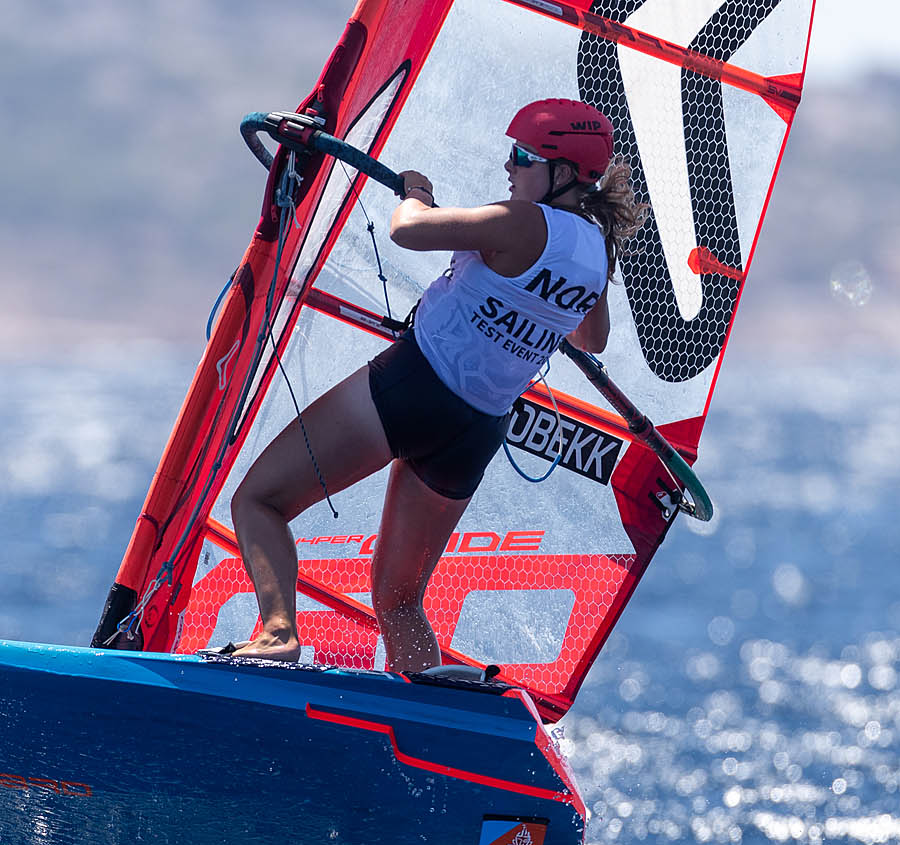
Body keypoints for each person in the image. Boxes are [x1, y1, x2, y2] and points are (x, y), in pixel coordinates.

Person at [226, 98, 648, 671]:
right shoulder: (599, 250)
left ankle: (277, 632)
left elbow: (407, 231)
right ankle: (425, 708)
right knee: (399, 599)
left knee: (259, 499)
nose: (508, 167)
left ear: (563, 173)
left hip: (413, 389)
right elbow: (589, 339)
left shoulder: (523, 220)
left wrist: (415, 193)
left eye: (522, 156)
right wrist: (530, 301)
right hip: (475, 431)